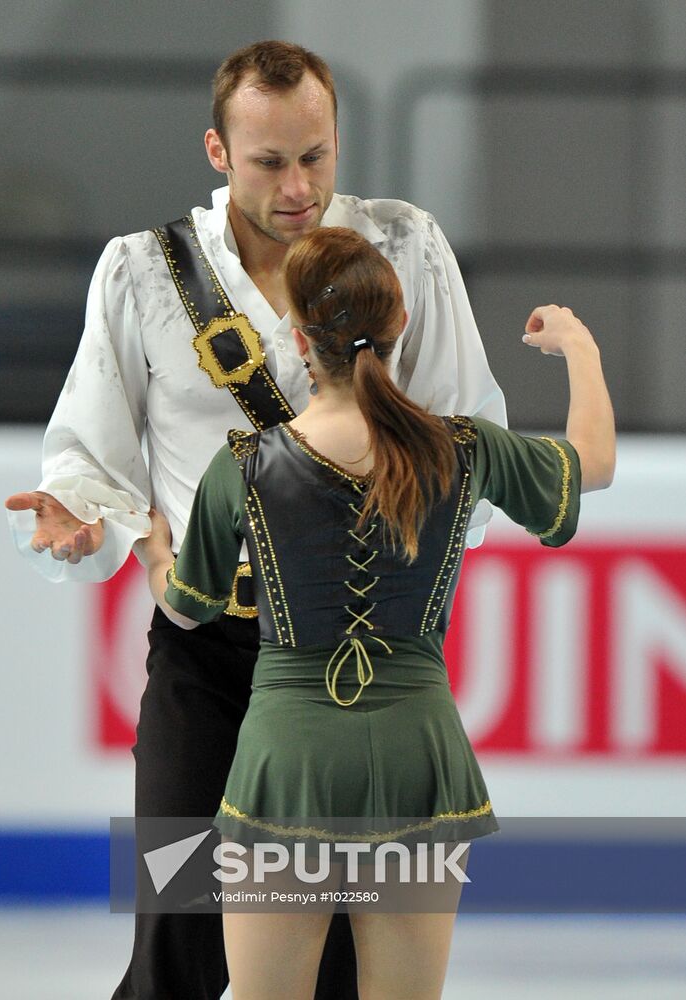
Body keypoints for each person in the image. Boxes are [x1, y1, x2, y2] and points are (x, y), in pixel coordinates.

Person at [4, 41, 506, 1000]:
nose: (297, 184)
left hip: (354, 671)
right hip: (204, 662)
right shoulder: (143, 273)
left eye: (315, 155)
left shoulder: (402, 249)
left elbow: (466, 438)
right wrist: (75, 528)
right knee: (178, 942)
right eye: (270, 160)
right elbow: (90, 464)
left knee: (345, 964)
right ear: (217, 150)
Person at [141, 226, 615, 1000]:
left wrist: (152, 551)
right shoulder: (463, 449)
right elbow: (590, 464)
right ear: (399, 331)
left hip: (285, 764)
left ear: (298, 341)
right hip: (417, 759)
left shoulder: (245, 467)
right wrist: (580, 348)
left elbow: (187, 611)